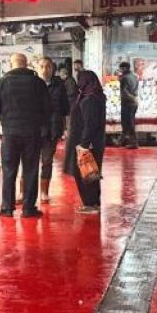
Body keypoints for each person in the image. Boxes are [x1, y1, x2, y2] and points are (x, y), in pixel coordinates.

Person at [0, 53, 52, 218]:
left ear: (11, 64)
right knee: (30, 170)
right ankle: (29, 209)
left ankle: (7, 208)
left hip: (10, 134)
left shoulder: (2, 82)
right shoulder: (38, 83)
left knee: (9, 171)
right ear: (26, 64)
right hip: (32, 134)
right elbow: (48, 107)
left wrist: (4, 116)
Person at [65, 69, 106, 214]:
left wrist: (83, 144)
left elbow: (90, 124)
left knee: (85, 172)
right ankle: (93, 202)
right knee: (91, 172)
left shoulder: (90, 100)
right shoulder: (95, 96)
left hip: (87, 143)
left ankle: (91, 203)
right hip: (92, 142)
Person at [38, 56, 69, 204]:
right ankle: (22, 192)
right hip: (33, 130)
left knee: (47, 161)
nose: (45, 70)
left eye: (48, 66)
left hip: (52, 130)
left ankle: (44, 192)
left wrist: (63, 127)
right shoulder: (32, 84)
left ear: (53, 68)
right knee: (27, 162)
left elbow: (65, 108)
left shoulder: (59, 85)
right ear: (38, 68)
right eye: (42, 66)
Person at [117, 61, 140, 148]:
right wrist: (134, 98)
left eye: (122, 68)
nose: (121, 70)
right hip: (133, 102)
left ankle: (133, 143)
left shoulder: (124, 78)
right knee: (130, 122)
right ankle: (123, 140)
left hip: (127, 103)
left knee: (127, 123)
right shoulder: (135, 76)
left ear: (125, 68)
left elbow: (124, 92)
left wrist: (131, 98)